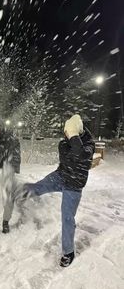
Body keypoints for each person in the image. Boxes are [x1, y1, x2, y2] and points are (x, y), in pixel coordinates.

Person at [23, 114, 95, 267]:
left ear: (76, 131)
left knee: (67, 219)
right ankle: (18, 192)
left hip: (74, 186)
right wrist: (72, 139)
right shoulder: (63, 143)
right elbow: (72, 157)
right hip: (61, 176)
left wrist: (73, 135)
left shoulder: (89, 143)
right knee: (38, 186)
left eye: (68, 132)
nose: (65, 135)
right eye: (66, 132)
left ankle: (68, 252)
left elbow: (80, 155)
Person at [0, 118, 21, 233]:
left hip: (9, 168)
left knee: (8, 197)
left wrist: (8, 164)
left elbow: (9, 152)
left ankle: (5, 222)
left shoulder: (9, 137)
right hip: (3, 168)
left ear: (0, 128)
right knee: (6, 195)